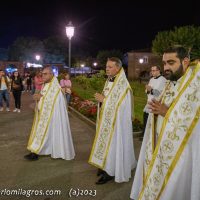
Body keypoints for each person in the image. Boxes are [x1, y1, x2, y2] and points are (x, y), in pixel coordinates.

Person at [130, 46, 200, 200]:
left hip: (181, 153)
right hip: (161, 145)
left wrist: (167, 113)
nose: (166, 68)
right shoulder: (171, 81)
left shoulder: (196, 85)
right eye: (164, 63)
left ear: (185, 61)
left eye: (171, 62)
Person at [89, 57, 137, 184]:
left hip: (116, 124)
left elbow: (122, 106)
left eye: (110, 67)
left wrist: (103, 100)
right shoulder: (109, 81)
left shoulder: (123, 85)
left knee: (113, 145)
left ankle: (111, 171)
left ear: (118, 68)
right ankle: (105, 166)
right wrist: (102, 101)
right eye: (106, 66)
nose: (107, 69)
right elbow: (108, 99)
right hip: (106, 121)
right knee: (105, 144)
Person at [24, 66, 75, 161]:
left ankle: (36, 152)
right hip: (45, 115)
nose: (42, 75)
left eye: (45, 74)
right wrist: (39, 98)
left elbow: (52, 100)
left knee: (45, 133)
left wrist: (40, 98)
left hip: (52, 116)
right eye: (42, 73)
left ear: (52, 74)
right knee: (43, 133)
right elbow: (45, 97)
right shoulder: (46, 84)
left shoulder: (55, 87)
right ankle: (36, 151)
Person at [140, 66, 166, 140]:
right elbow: (147, 91)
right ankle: (144, 134)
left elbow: (160, 93)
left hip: (155, 104)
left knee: (151, 121)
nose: (152, 72)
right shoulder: (151, 79)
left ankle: (149, 136)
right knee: (145, 118)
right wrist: (148, 90)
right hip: (149, 102)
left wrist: (150, 90)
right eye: (151, 71)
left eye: (154, 70)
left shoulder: (163, 80)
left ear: (159, 71)